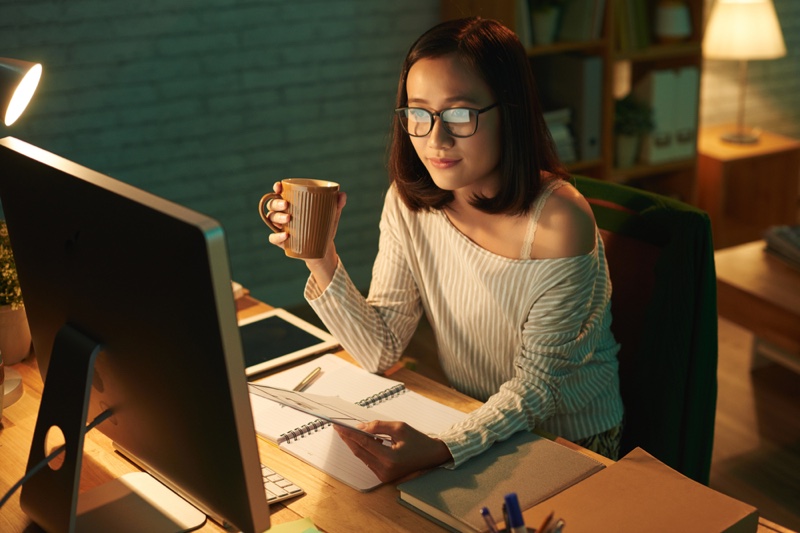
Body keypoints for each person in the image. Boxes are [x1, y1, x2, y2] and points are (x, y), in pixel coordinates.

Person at [264, 17, 624, 483]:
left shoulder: (559, 223)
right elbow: (379, 349)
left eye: (458, 114)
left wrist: (442, 447)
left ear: (509, 111)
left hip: (569, 439)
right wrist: (320, 252)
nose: (435, 140)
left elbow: (537, 392)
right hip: (469, 416)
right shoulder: (410, 201)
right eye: (419, 114)